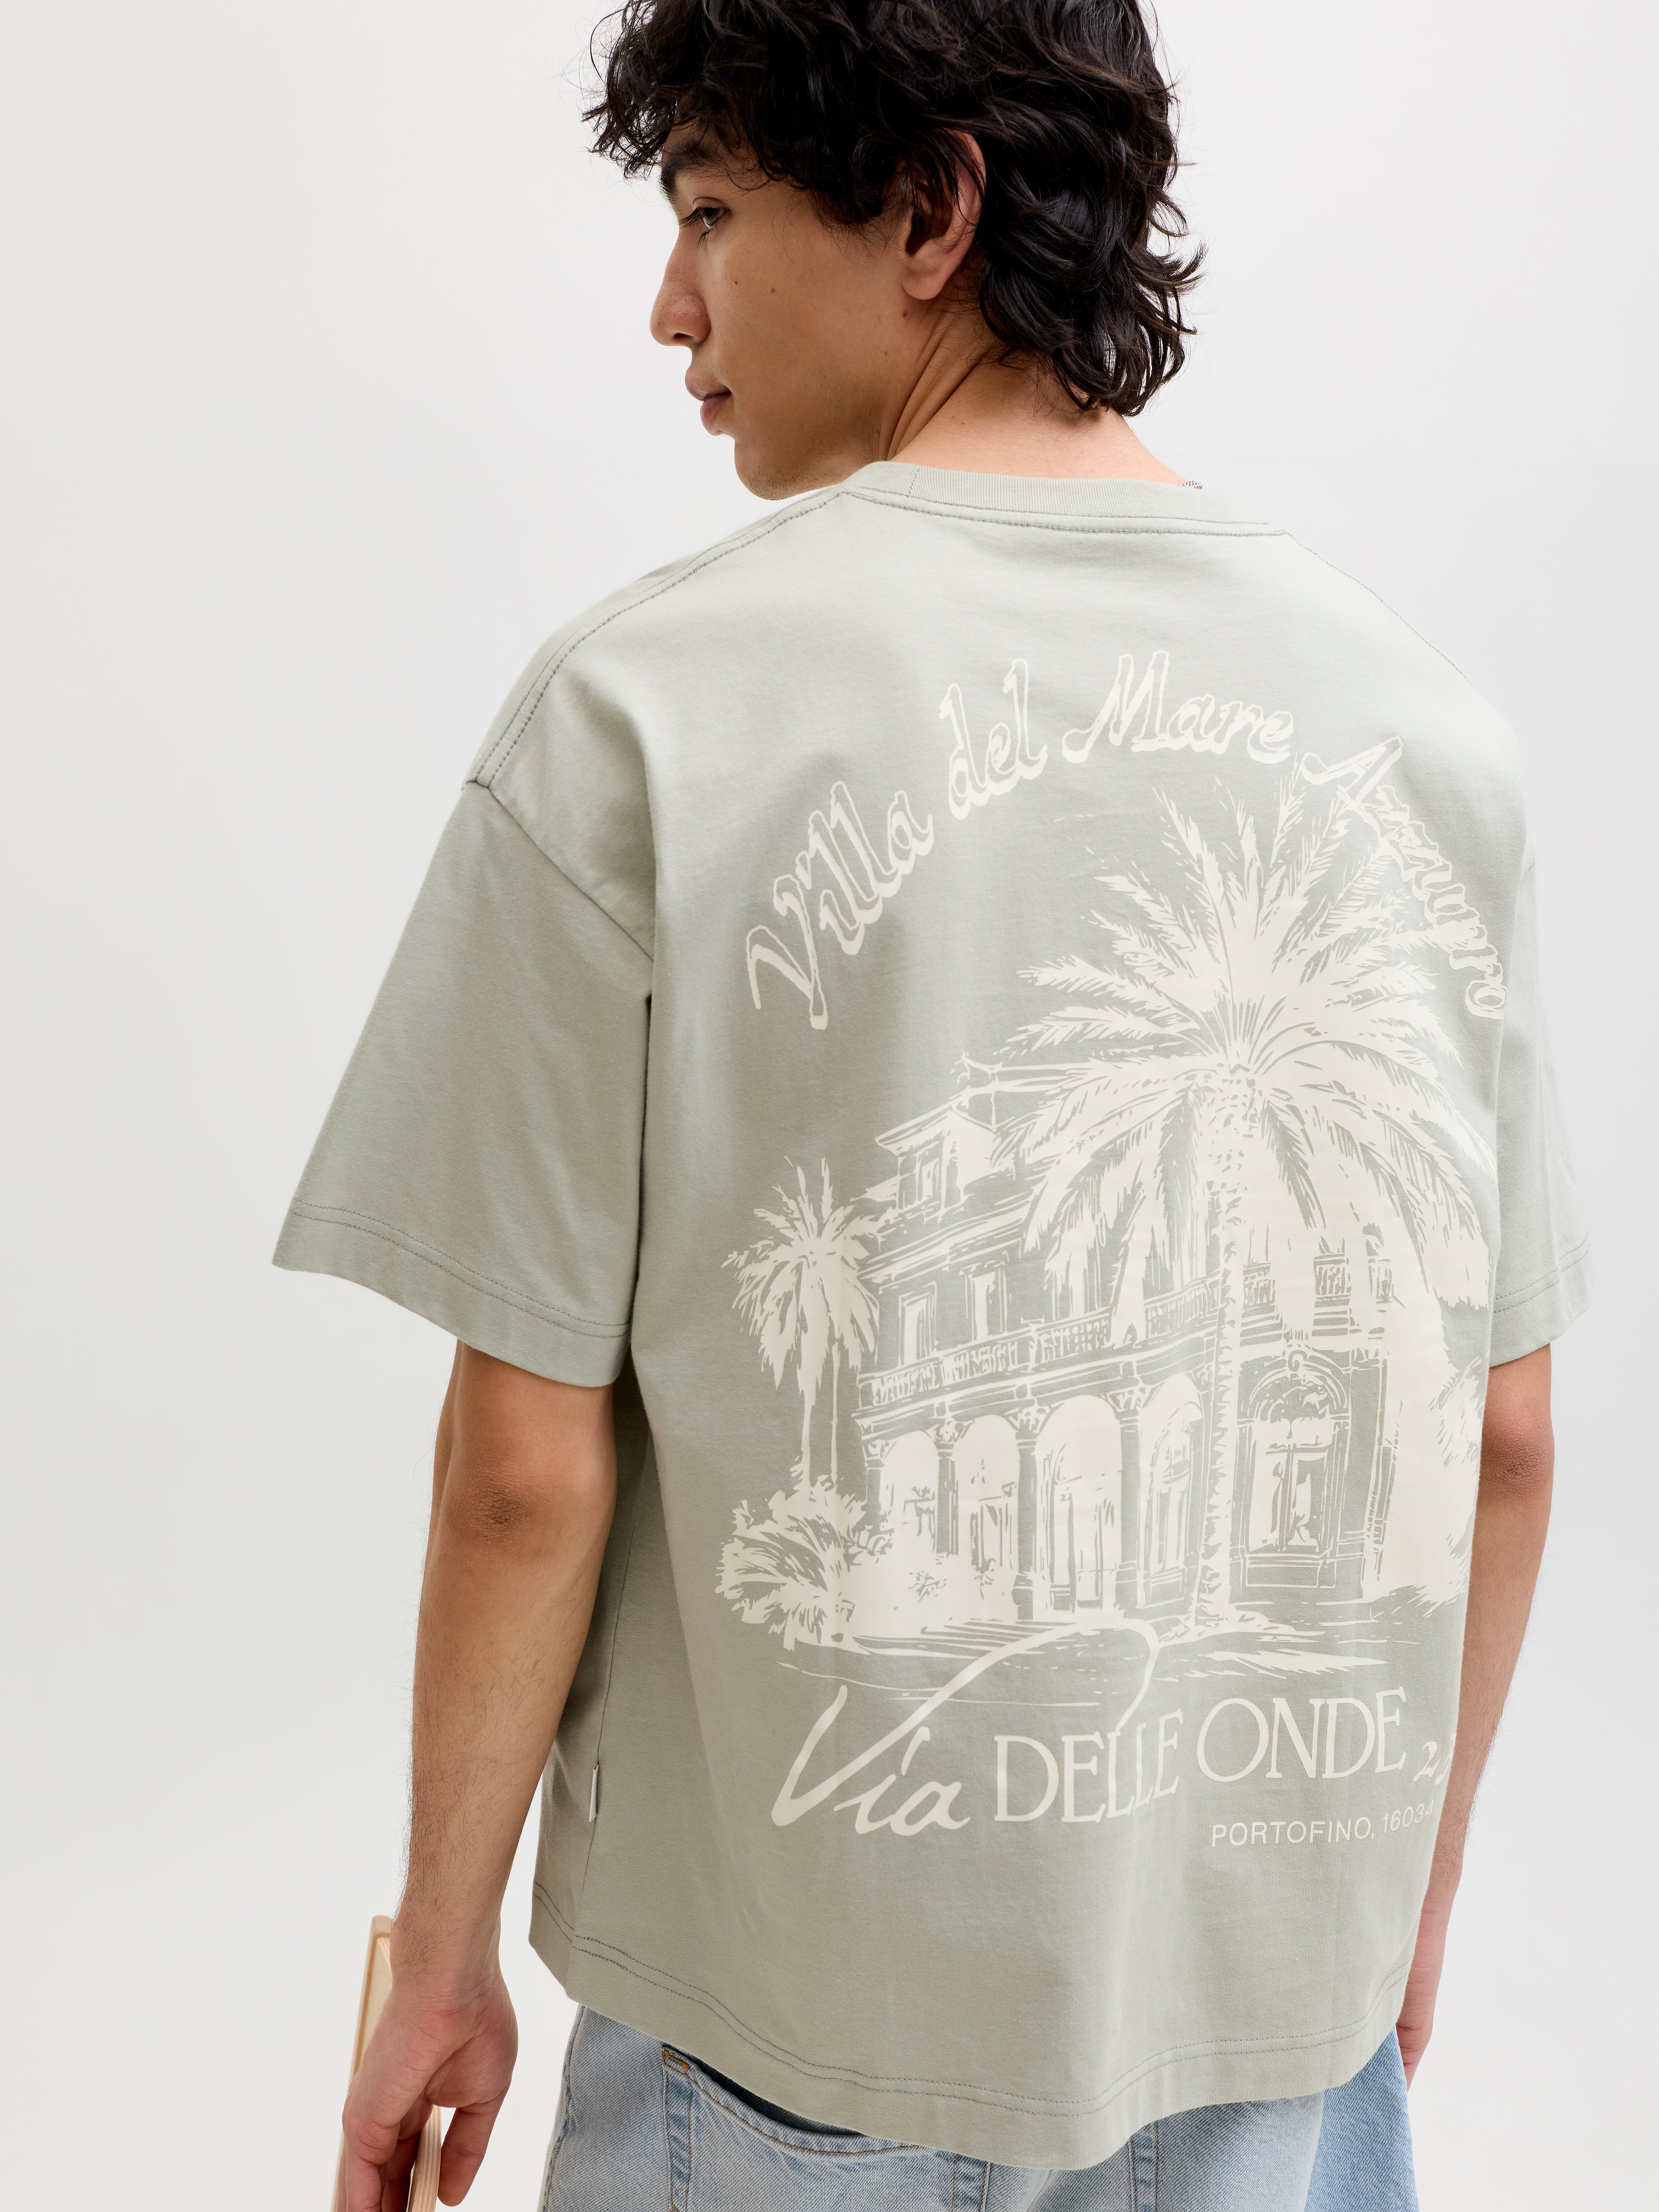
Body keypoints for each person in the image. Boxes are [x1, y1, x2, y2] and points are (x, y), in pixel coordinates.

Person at [276, 3, 1590, 2206]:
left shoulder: (644, 709)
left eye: (709, 211)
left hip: (780, 2046)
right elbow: (1504, 1433)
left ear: (926, 210)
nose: (669, 305)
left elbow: (523, 1469)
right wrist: (1406, 1893)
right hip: (1281, 2040)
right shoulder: (1424, 732)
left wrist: (439, 1955)